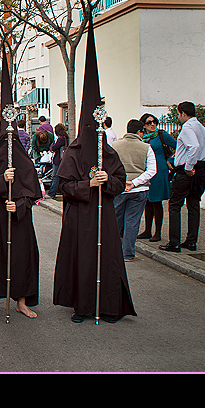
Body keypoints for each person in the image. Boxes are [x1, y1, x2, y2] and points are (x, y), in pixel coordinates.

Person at [52, 18, 135, 324]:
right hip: (79, 217)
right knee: (82, 260)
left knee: (107, 259)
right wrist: (89, 184)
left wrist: (108, 180)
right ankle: (82, 306)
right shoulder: (73, 151)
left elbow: (121, 180)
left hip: (104, 216)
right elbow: (65, 186)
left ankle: (110, 306)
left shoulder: (109, 151)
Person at [0, 65, 41, 320]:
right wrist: (2, 180)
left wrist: (21, 205)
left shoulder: (25, 163)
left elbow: (33, 193)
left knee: (22, 257)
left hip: (20, 220)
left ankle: (22, 301)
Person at [159, 101, 205, 252]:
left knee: (175, 205)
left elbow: (193, 146)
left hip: (186, 171)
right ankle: (191, 241)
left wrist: (188, 166)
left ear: (182, 113)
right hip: (200, 168)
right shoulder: (201, 127)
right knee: (193, 205)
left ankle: (174, 243)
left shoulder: (187, 127)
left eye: (178, 114)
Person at [112, 119, 157, 261]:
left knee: (115, 220)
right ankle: (128, 253)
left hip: (119, 188)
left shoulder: (115, 145)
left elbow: (109, 167)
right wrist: (135, 182)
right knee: (132, 221)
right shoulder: (146, 147)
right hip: (139, 189)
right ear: (139, 132)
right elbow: (152, 170)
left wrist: (122, 182)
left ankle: (113, 251)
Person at [137, 113, 177, 242]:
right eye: (149, 122)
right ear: (143, 124)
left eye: (154, 122)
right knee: (147, 201)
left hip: (159, 171)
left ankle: (157, 232)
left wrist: (171, 159)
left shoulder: (161, 135)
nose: (153, 124)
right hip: (145, 171)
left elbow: (178, 146)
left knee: (156, 201)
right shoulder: (142, 137)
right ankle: (147, 230)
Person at [47, 123, 68, 199]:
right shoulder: (66, 138)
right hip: (62, 159)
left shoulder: (61, 139)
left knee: (55, 176)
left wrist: (52, 145)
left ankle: (52, 193)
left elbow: (53, 148)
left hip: (58, 159)